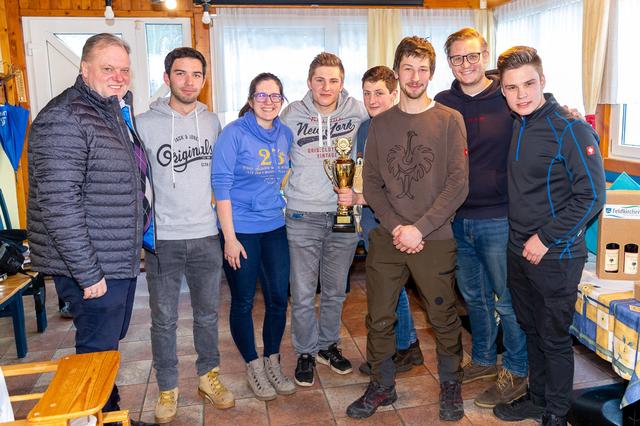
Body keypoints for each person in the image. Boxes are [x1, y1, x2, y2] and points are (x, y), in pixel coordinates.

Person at [27, 33, 156, 426]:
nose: (118, 76)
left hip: (115, 253)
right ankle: (91, 418)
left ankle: (109, 415)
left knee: (104, 348)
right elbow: (58, 205)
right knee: (96, 351)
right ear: (84, 69)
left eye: (123, 70)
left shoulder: (109, 109)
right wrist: (89, 274)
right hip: (93, 264)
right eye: (107, 68)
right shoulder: (65, 117)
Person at [347, 36, 469, 421]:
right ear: (397, 73)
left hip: (435, 238)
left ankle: (451, 384)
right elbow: (372, 185)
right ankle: (382, 385)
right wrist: (400, 226)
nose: (415, 77)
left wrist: (420, 228)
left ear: (431, 73)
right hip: (387, 238)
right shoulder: (379, 125)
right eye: (408, 68)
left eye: (422, 69)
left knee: (443, 316)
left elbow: (457, 183)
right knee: (380, 317)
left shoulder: (450, 119)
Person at [492, 46, 605, 426]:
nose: (521, 94)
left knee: (554, 339)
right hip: (518, 251)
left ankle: (557, 412)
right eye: (512, 87)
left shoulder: (571, 128)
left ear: (543, 81)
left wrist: (546, 238)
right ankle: (538, 399)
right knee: (530, 330)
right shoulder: (518, 122)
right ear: (503, 91)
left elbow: (592, 196)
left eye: (529, 84)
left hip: (555, 255)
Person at [135, 47, 234, 423]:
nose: (189, 81)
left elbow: (222, 181)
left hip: (207, 235)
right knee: (163, 320)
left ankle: (208, 377)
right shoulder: (144, 124)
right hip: (163, 239)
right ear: (167, 78)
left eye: (196, 74)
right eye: (181, 73)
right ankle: (167, 388)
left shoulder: (213, 124)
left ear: (204, 80)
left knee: (207, 316)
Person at [434, 27, 528, 408]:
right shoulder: (440, 102)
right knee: (473, 297)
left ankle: (517, 371)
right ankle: (486, 360)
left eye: (472, 56)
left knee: (506, 299)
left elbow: (540, 111)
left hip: (499, 218)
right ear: (449, 62)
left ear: (485, 56)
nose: (466, 64)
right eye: (457, 58)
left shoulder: (506, 96)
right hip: (456, 218)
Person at [280, 52, 368, 387]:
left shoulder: (357, 110)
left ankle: (327, 346)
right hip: (302, 214)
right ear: (309, 82)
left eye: (333, 80)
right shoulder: (291, 114)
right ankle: (304, 351)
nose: (326, 86)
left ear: (342, 83)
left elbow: (386, 116)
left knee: (335, 290)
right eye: (319, 80)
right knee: (302, 292)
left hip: (343, 215)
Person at [212, 72, 295, 401]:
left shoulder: (285, 134)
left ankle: (272, 359)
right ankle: (253, 366)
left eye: (276, 96)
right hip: (240, 231)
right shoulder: (233, 134)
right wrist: (229, 238)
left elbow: (283, 177)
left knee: (278, 298)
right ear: (250, 100)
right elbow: (221, 186)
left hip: (275, 226)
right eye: (262, 96)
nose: (269, 102)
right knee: (243, 301)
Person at [354, 66, 424, 376]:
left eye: (379, 93)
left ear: (394, 94)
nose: (372, 99)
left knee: (392, 287)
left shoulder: (407, 127)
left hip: (396, 221)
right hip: (371, 221)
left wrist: (364, 197)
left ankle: (405, 348)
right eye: (367, 93)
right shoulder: (364, 129)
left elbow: (406, 184)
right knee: (385, 289)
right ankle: (405, 346)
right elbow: (362, 175)